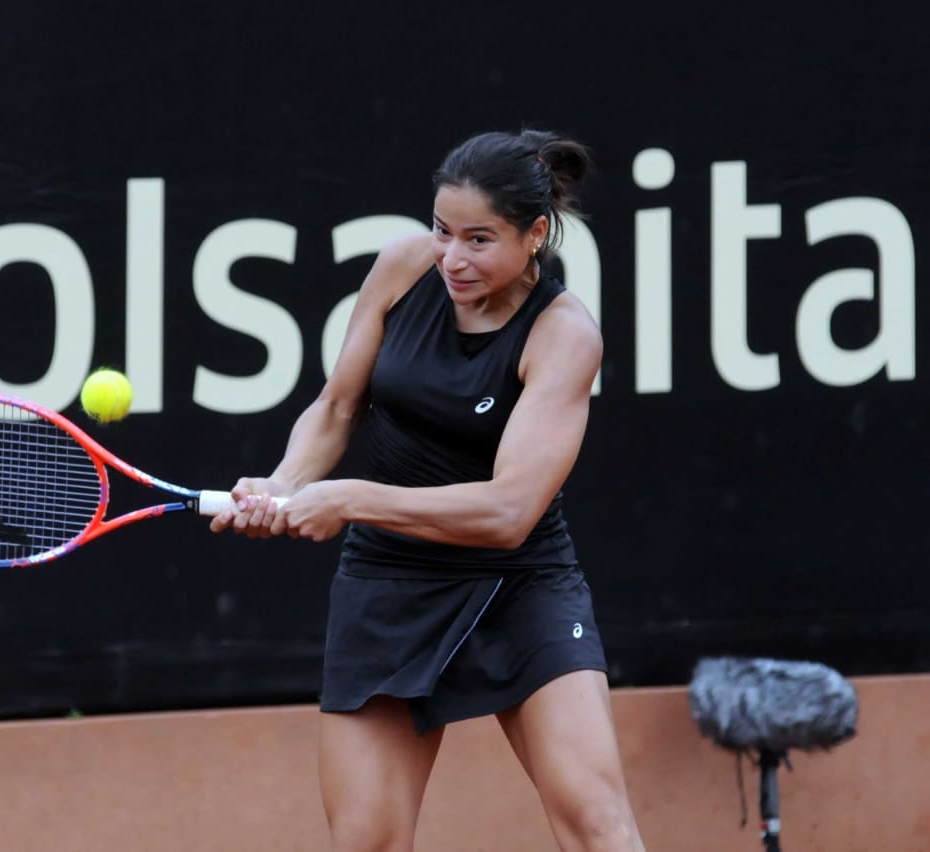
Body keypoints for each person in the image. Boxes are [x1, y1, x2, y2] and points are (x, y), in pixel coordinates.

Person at [210, 128, 647, 852]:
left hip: (519, 586)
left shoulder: (564, 335)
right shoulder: (403, 267)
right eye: (443, 231)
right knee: (368, 842)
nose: (452, 257)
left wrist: (347, 500)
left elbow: (508, 511)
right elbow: (337, 408)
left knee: (597, 825)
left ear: (535, 235)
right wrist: (285, 484)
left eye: (480, 240)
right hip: (388, 583)